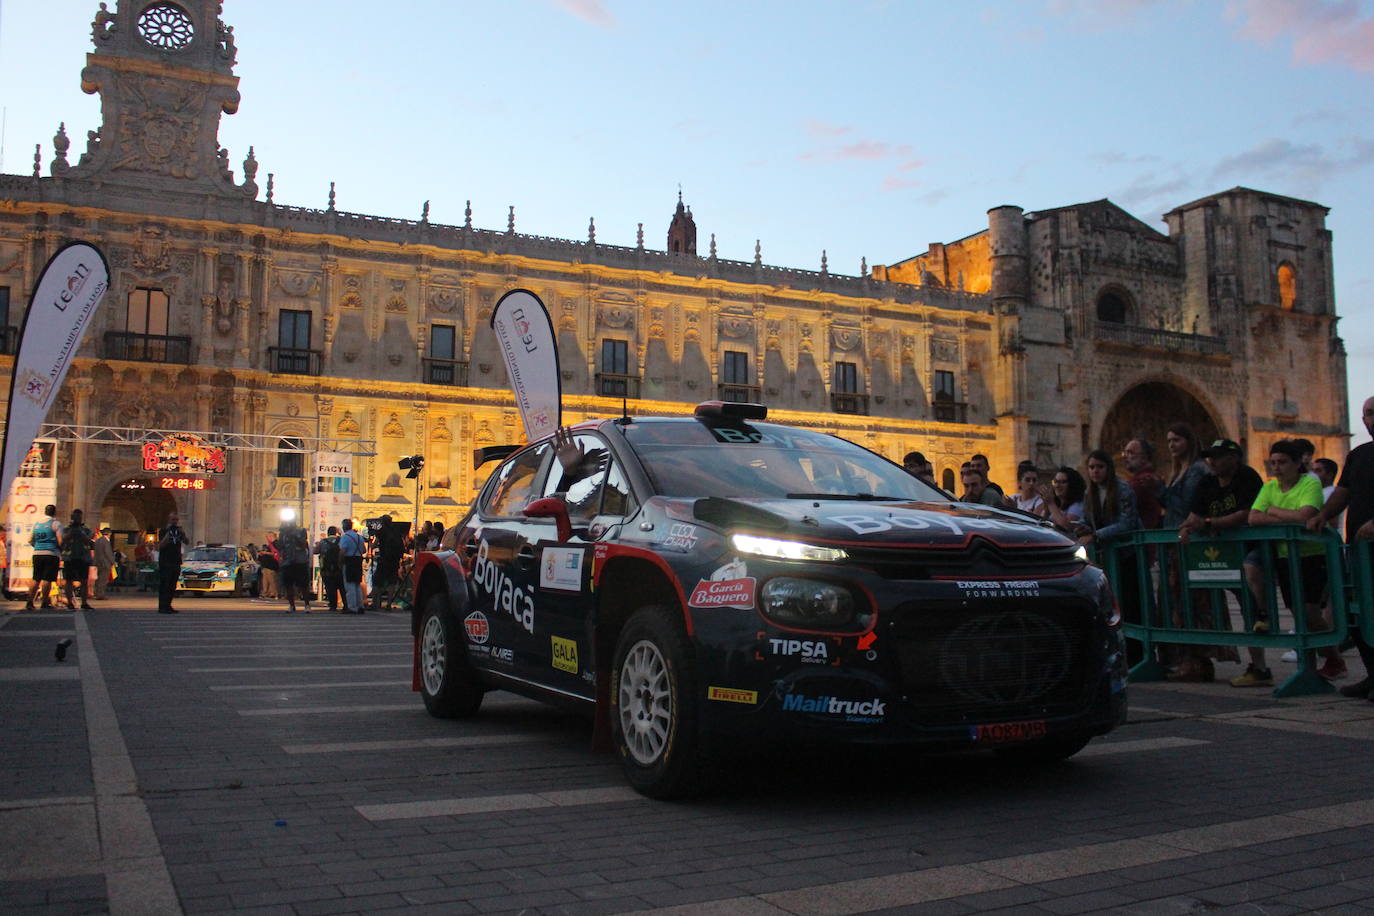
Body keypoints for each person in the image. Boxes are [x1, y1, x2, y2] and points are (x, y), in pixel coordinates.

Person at [1231, 439, 1343, 687]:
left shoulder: (1309, 483)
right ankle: (1314, 665)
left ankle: (1333, 658)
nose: (1277, 468)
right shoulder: (1270, 487)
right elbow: (1253, 517)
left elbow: (1305, 516)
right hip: (1284, 555)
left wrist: (1273, 512)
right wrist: (1284, 518)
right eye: (1273, 463)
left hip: (1312, 555)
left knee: (1309, 612)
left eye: (1282, 462)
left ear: (1296, 463)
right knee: (1297, 612)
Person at [1170, 439, 1264, 680]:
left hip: (1248, 551)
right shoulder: (1207, 482)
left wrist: (1211, 523)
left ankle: (1260, 667)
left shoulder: (1248, 477)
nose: (1212, 461)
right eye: (1210, 456)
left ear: (1234, 458)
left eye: (1219, 456)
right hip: (1219, 555)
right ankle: (1198, 660)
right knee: (1200, 603)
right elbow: (1195, 514)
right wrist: (1187, 527)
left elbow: (1247, 513)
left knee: (1250, 610)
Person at [1308, 395, 1374, 698]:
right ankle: (1372, 674)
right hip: (1360, 552)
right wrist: (1323, 515)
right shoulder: (1359, 455)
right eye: (1366, 414)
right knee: (1359, 614)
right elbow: (1343, 492)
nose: (1370, 419)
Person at [1079, 449, 1139, 548]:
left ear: (1109, 468)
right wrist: (1080, 527)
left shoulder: (1123, 489)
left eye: (1100, 467)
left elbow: (1127, 523)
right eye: (1092, 467)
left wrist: (1096, 535)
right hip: (1103, 550)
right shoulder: (1088, 492)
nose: (1095, 471)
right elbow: (1087, 519)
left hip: (1126, 548)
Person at [1162, 423, 1208, 529]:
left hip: (1188, 531)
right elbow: (1171, 506)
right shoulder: (1176, 472)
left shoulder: (1196, 470)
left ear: (1189, 442)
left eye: (1176, 440)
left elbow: (1188, 505)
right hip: (1173, 530)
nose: (1171, 445)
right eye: (1169, 441)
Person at [1122, 439, 1164, 531]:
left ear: (1144, 458)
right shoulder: (1148, 478)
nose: (1125, 457)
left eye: (1130, 453)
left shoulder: (1144, 480)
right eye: (1125, 453)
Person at [26, 504, 62, 611]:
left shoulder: (37, 524)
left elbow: (30, 540)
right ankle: (44, 602)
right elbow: (60, 541)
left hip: (37, 553)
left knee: (36, 578)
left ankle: (29, 601)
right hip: (51, 553)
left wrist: (37, 546)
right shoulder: (56, 524)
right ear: (54, 512)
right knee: (47, 578)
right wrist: (60, 550)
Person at [62, 509, 95, 611]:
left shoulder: (86, 529)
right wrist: (72, 532)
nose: (77, 519)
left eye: (79, 517)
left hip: (83, 558)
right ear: (72, 517)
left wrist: (80, 533)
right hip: (70, 557)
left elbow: (90, 541)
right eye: (75, 517)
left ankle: (84, 603)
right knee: (69, 581)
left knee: (84, 581)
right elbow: (63, 540)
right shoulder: (67, 528)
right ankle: (69, 603)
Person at [276, 521, 311, 614]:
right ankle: (291, 605)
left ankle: (307, 605)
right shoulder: (283, 534)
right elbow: (279, 547)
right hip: (287, 562)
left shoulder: (301, 531)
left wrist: (294, 536)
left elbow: (303, 544)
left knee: (304, 585)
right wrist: (280, 536)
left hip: (300, 561)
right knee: (288, 585)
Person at [157, 511, 188, 614]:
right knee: (165, 584)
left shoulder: (179, 531)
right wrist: (167, 535)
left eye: (176, 520)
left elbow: (186, 541)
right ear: (169, 520)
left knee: (172, 585)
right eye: (173, 520)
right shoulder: (163, 530)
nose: (175, 522)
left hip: (176, 560)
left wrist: (183, 534)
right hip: (165, 561)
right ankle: (162, 606)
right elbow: (160, 546)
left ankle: (169, 605)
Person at [314, 525, 344, 612]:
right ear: (336, 533)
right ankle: (345, 604)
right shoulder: (341, 540)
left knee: (330, 587)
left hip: (326, 569)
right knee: (341, 587)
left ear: (328, 533)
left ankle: (333, 606)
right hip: (339, 567)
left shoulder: (323, 542)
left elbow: (315, 551)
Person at [339, 518, 366, 614]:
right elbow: (364, 550)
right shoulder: (359, 537)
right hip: (358, 560)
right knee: (357, 584)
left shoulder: (345, 537)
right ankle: (360, 605)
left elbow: (342, 551)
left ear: (344, 527)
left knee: (349, 585)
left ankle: (352, 607)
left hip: (349, 561)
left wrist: (340, 562)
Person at [92, 527, 115, 600]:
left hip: (98, 562)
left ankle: (96, 593)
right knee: (103, 579)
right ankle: (100, 594)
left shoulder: (98, 541)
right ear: (109, 533)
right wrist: (113, 561)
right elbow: (108, 553)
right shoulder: (106, 541)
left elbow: (96, 553)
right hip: (105, 563)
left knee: (98, 579)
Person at [257, 532, 279, 599]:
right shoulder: (269, 545)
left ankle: (273, 593)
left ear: (271, 536)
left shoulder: (276, 544)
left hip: (272, 565)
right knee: (265, 580)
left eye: (267, 536)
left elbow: (276, 553)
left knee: (272, 580)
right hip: (266, 565)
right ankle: (266, 592)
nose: (267, 538)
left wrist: (265, 553)